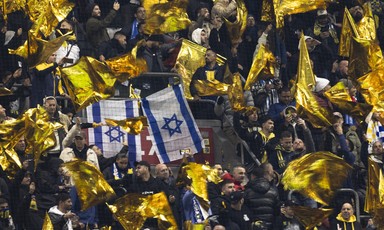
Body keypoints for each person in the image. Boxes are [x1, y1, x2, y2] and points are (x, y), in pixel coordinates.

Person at [244, 163, 280, 230]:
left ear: (253, 176)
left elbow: (245, 210)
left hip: (253, 226)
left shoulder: (247, 192)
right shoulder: (273, 191)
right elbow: (277, 212)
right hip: (270, 225)